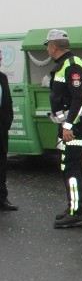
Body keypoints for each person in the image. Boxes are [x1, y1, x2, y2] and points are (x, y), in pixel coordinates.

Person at [45, 29, 82, 228]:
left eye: (47, 45)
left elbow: (80, 99)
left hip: (74, 127)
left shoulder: (72, 67)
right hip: (67, 126)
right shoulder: (63, 66)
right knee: (66, 166)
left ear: (53, 46)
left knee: (71, 168)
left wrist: (68, 125)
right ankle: (72, 207)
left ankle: (77, 213)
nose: (47, 48)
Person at [0, 66, 17, 211]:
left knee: (2, 163)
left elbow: (7, 102)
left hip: (1, 128)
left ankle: (2, 198)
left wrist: (7, 121)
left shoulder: (2, 77)